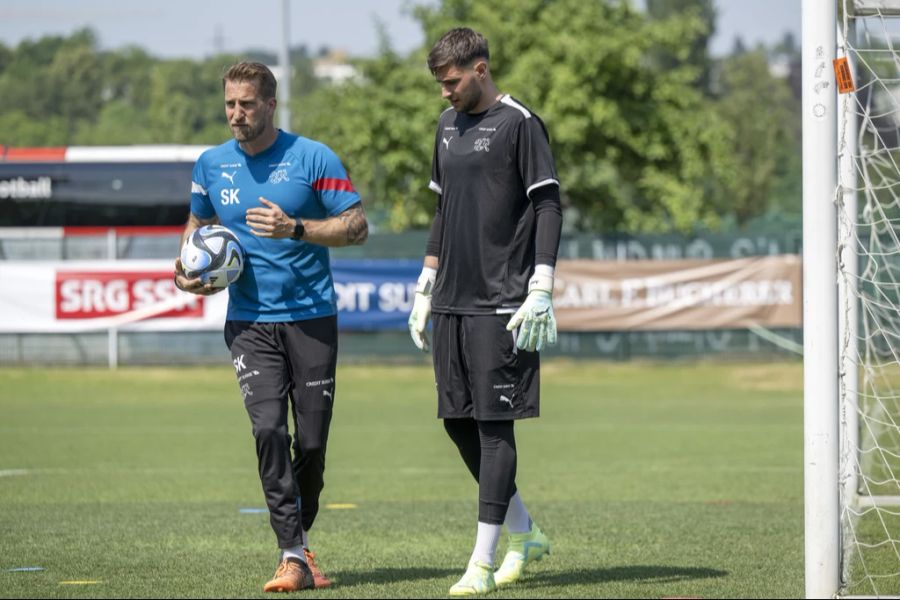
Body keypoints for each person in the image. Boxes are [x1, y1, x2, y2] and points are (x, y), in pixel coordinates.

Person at [174, 61, 368, 593]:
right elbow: (198, 222)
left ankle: (299, 544)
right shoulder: (211, 164)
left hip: (311, 320)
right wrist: (187, 267)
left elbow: (357, 226)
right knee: (267, 430)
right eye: (230, 104)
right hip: (249, 323)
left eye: (247, 104)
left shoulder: (313, 157)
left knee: (311, 445)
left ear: (270, 104)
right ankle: (290, 554)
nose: (237, 114)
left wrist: (297, 228)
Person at [407, 28, 563, 596]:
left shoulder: (521, 122)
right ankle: (525, 531)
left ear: (480, 68)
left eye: (451, 82)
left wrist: (541, 283)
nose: (445, 93)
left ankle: (482, 561)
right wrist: (425, 284)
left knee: (496, 429)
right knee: (457, 422)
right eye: (440, 85)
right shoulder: (446, 127)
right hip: (450, 297)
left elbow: (548, 202)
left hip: (503, 301)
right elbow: (442, 209)